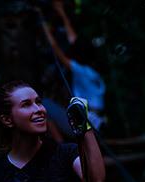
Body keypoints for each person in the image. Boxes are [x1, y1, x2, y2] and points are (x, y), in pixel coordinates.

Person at [37, 1, 107, 140]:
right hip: (97, 123)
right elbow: (74, 40)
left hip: (87, 125)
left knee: (44, 104)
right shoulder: (93, 72)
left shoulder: (80, 71)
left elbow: (56, 48)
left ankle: (61, 148)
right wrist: (61, 11)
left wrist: (43, 23)